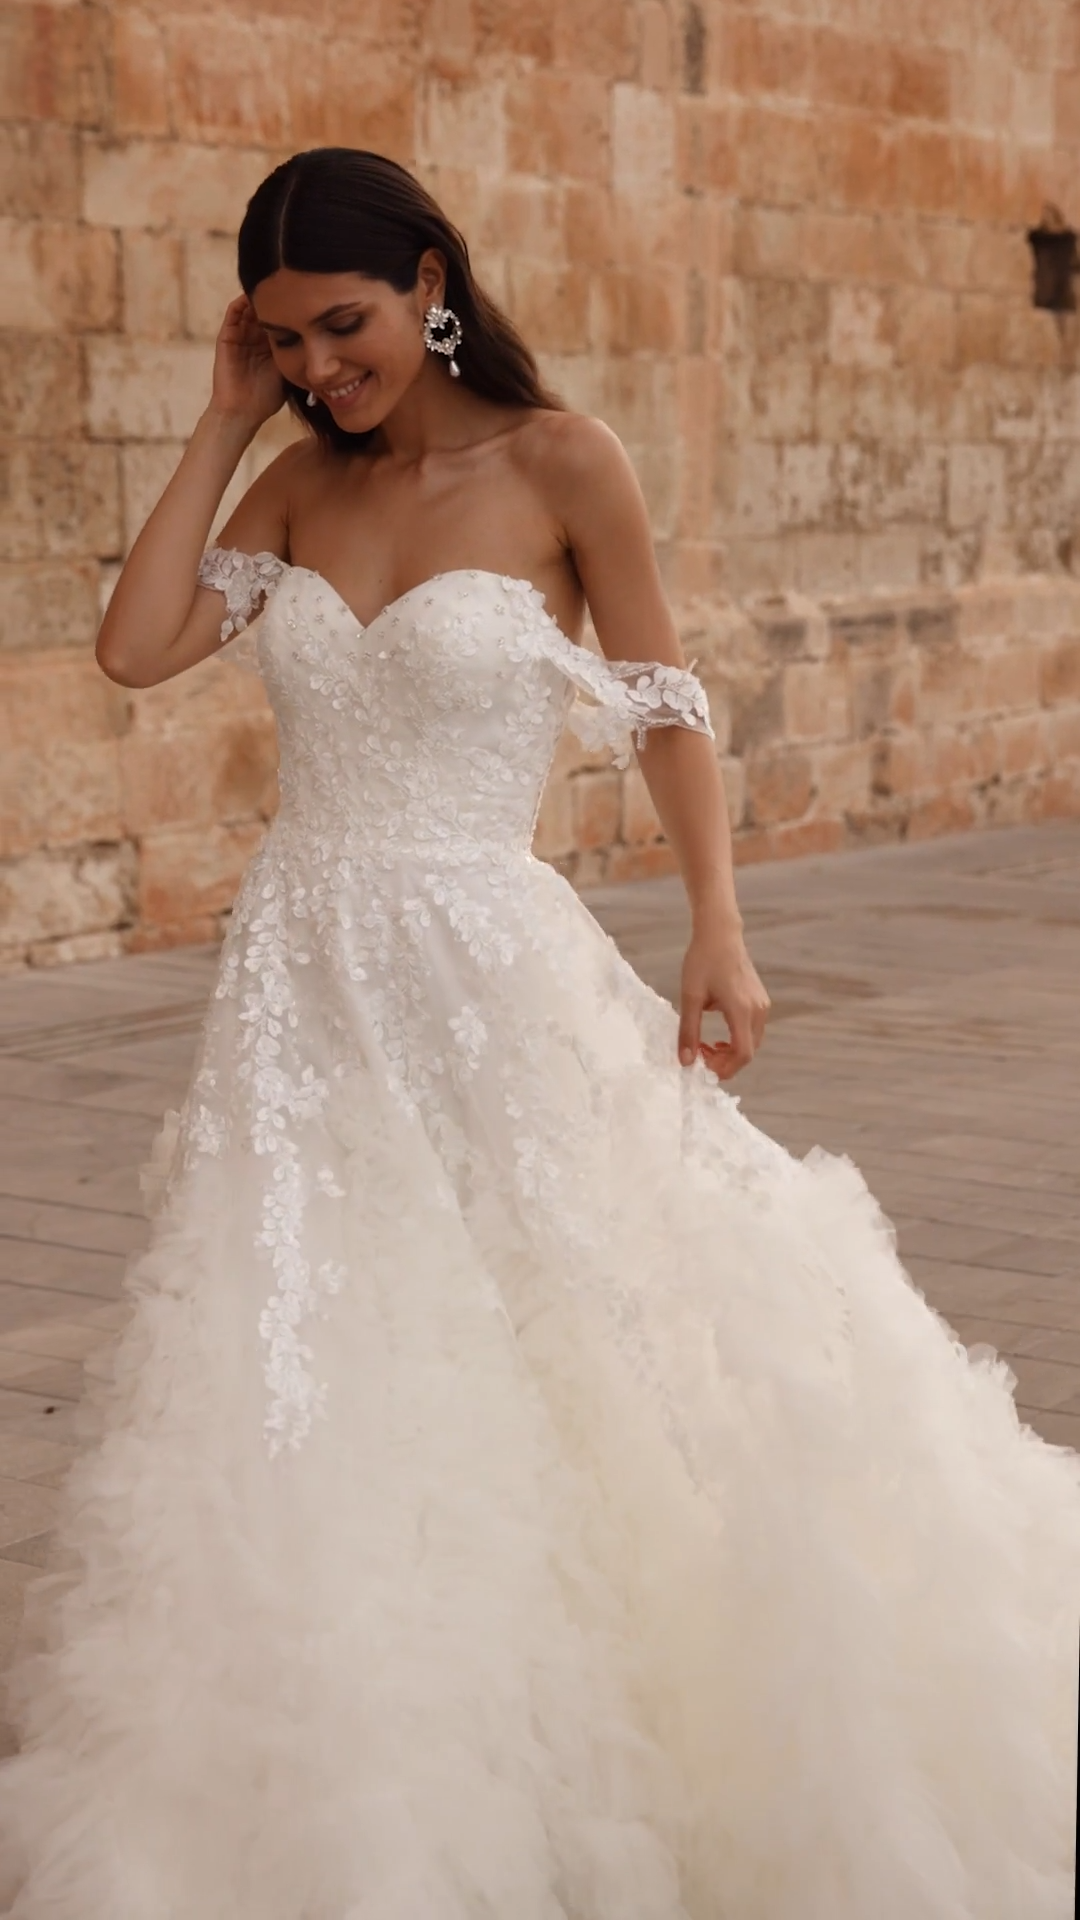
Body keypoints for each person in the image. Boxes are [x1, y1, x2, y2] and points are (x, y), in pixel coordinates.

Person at [0, 146, 1076, 1920]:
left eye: (339, 327)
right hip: (305, 986)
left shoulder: (567, 463)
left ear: (430, 275)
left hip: (488, 959)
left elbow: (665, 708)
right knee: (319, 1347)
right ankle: (364, 1763)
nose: (319, 368)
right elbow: (132, 649)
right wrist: (218, 421)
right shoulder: (287, 478)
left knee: (570, 1321)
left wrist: (717, 922)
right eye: (282, 340)